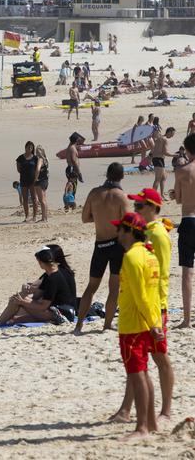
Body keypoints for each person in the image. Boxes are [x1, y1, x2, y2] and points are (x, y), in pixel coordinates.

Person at [110, 189, 174, 424]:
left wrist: (156, 315)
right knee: (139, 362)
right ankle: (127, 410)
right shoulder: (148, 232)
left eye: (138, 206)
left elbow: (160, 274)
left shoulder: (157, 235)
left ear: (151, 207)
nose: (135, 209)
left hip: (154, 306)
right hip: (147, 306)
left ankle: (165, 411)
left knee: (159, 359)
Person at [109, 212, 163, 440]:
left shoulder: (131, 257)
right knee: (143, 374)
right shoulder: (149, 255)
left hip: (133, 324)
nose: (117, 233)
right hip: (147, 320)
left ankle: (141, 428)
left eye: (120, 229)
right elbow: (153, 294)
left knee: (137, 375)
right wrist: (156, 323)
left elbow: (141, 295)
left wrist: (153, 324)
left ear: (129, 231)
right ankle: (150, 423)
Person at [74, 163, 128, 334]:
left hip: (100, 244)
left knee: (91, 286)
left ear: (107, 174)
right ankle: (107, 325)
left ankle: (79, 325)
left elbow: (84, 218)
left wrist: (99, 219)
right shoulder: (121, 196)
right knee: (114, 288)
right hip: (117, 245)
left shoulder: (94, 193)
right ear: (122, 177)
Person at [0, 246, 76, 326]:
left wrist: (22, 302)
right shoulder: (53, 274)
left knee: (16, 300)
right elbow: (37, 296)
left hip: (60, 314)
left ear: (41, 262)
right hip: (60, 311)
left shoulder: (53, 278)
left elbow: (43, 306)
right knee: (14, 319)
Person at [174, 133, 195, 328]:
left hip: (189, 220)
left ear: (188, 151)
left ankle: (187, 319)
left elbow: (179, 199)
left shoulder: (182, 171)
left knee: (187, 272)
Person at [16, 141, 38, 223]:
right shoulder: (20, 158)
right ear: (25, 147)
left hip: (33, 181)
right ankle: (27, 216)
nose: (29, 148)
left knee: (34, 199)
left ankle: (35, 216)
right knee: (25, 199)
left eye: (31, 147)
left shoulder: (35, 158)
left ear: (32, 148)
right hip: (23, 180)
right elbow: (18, 169)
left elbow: (37, 169)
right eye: (28, 147)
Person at [151, 127, 176, 200]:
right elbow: (165, 152)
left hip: (158, 159)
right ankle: (153, 197)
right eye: (172, 134)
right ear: (169, 132)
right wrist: (174, 155)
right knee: (157, 179)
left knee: (164, 177)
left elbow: (155, 149)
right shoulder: (165, 139)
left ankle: (161, 195)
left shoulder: (160, 137)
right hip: (158, 159)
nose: (172, 136)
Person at [34, 145, 49, 223]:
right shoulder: (45, 159)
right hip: (45, 180)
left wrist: (35, 178)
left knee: (41, 200)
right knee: (44, 199)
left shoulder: (40, 159)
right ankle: (45, 217)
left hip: (40, 181)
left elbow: (38, 169)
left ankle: (44, 218)